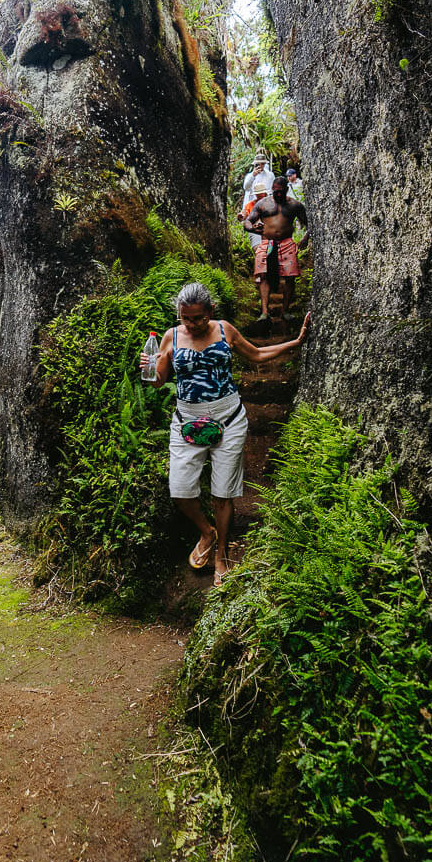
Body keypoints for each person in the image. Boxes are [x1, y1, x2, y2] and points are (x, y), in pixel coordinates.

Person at [140, 282, 311, 586]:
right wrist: (150, 370)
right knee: (180, 490)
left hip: (229, 418)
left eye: (197, 318)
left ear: (210, 311)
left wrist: (294, 343)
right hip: (187, 422)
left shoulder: (224, 330)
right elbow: (158, 382)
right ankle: (207, 532)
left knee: (223, 493)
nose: (191, 324)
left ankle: (222, 555)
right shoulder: (171, 336)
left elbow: (256, 355)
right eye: (185, 318)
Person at [245, 176, 310, 328]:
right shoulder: (263, 204)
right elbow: (248, 221)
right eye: (275, 191)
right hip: (267, 243)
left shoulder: (295, 205)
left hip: (287, 244)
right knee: (263, 275)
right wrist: (252, 228)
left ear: (286, 189)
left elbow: (309, 224)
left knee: (290, 277)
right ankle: (264, 312)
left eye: (280, 191)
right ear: (271, 190)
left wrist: (305, 238)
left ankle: (285, 311)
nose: (277, 194)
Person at [238, 154, 272, 247]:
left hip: (265, 203)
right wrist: (253, 175)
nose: (260, 166)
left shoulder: (270, 175)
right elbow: (246, 187)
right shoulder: (250, 175)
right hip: (252, 203)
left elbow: (271, 189)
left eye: (262, 164)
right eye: (258, 164)